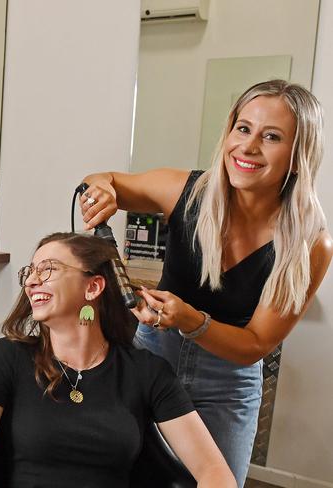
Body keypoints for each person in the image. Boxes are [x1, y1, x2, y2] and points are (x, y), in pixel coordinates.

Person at [80, 79, 333, 486]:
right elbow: (102, 178)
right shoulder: (186, 191)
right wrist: (103, 192)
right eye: (242, 128)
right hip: (152, 359)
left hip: (228, 381)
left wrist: (191, 320)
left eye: (271, 137)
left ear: (299, 155)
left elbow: (255, 345)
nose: (248, 147)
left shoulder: (309, 242)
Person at [0, 233, 236, 488]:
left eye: (49, 269)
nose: (33, 280)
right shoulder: (8, 358)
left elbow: (213, 471)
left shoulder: (146, 373)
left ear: (93, 287)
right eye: (31, 271)